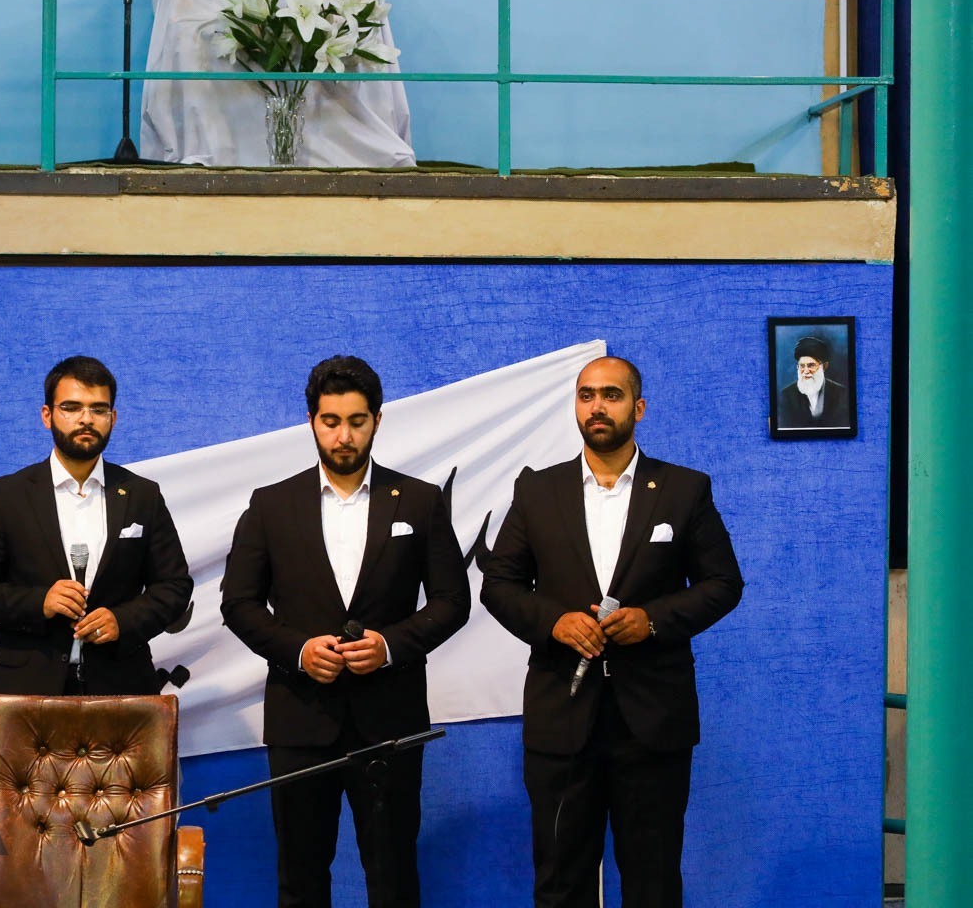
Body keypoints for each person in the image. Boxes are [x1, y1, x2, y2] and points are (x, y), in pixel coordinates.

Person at [479, 355, 743, 908]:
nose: (597, 406)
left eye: (612, 395)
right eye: (586, 395)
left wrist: (653, 620)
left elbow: (723, 584)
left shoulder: (684, 490)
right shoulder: (537, 492)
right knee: (560, 883)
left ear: (638, 408)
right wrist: (554, 622)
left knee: (653, 883)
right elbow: (498, 585)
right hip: (561, 718)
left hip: (653, 721)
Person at [220, 355, 470, 908]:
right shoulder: (271, 505)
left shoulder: (421, 501)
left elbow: (453, 601)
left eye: (357, 421)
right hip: (300, 720)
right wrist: (298, 650)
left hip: (391, 720)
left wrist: (390, 647)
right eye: (330, 421)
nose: (343, 436)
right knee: (301, 876)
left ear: (377, 420)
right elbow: (238, 602)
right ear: (311, 421)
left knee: (393, 874)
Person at [0, 355, 192, 699]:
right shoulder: (6, 495)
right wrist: (40, 601)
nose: (86, 419)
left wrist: (123, 621)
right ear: (47, 415)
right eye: (71, 407)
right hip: (26, 688)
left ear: (113, 418)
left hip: (122, 686)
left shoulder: (142, 494)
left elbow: (174, 586)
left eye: (99, 409)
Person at [777, 334, 851, 428]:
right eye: (802, 366)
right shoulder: (786, 395)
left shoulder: (842, 393)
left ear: (824, 366)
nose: (806, 371)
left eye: (811, 365)